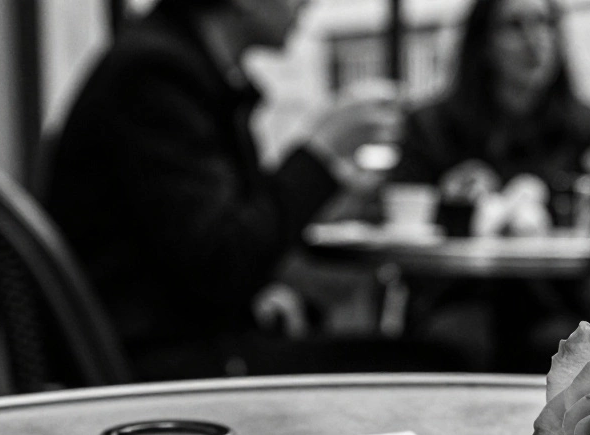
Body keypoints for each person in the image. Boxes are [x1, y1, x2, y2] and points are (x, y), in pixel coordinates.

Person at [44, 0, 405, 379]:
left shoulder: (180, 66)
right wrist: (321, 151)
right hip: (157, 369)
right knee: (427, 364)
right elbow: (225, 257)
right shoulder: (155, 74)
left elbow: (204, 239)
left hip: (175, 350)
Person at [390, 0, 590, 371]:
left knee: (568, 344)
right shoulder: (431, 128)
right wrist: (449, 199)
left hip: (561, 301)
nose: (533, 40)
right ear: (483, 44)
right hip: (458, 297)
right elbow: (401, 219)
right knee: (457, 341)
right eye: (513, 26)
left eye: (543, 23)